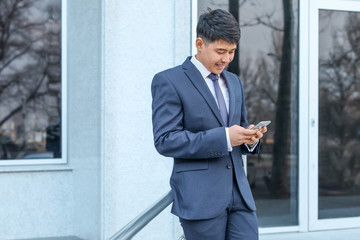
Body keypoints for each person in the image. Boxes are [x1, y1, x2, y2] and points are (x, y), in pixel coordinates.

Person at [151, 9, 267, 240]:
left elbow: (238, 129)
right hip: (200, 198)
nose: (226, 59)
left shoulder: (234, 82)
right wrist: (224, 138)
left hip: (240, 196)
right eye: (221, 51)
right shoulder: (169, 81)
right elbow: (165, 141)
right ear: (200, 43)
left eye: (232, 52)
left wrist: (249, 139)